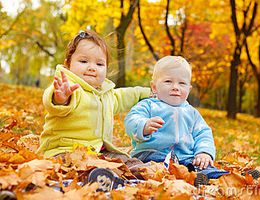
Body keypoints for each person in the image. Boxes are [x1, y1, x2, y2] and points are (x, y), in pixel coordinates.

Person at [37, 30, 150, 160]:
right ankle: (99, 175)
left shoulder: (106, 94)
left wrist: (149, 93)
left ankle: (137, 172)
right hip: (64, 149)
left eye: (99, 64)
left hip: (99, 150)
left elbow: (126, 95)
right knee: (69, 162)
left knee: (123, 160)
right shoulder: (70, 87)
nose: (92, 67)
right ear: (68, 64)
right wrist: (61, 98)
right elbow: (52, 103)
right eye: (84, 61)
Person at [125, 56, 228, 185]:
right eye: (168, 81)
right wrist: (143, 126)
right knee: (148, 166)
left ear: (189, 89)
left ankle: (218, 177)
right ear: (154, 87)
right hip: (152, 154)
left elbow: (203, 133)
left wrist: (203, 152)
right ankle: (137, 176)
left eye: (182, 83)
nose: (175, 87)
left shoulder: (192, 113)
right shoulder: (148, 105)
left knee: (199, 166)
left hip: (185, 158)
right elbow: (131, 119)